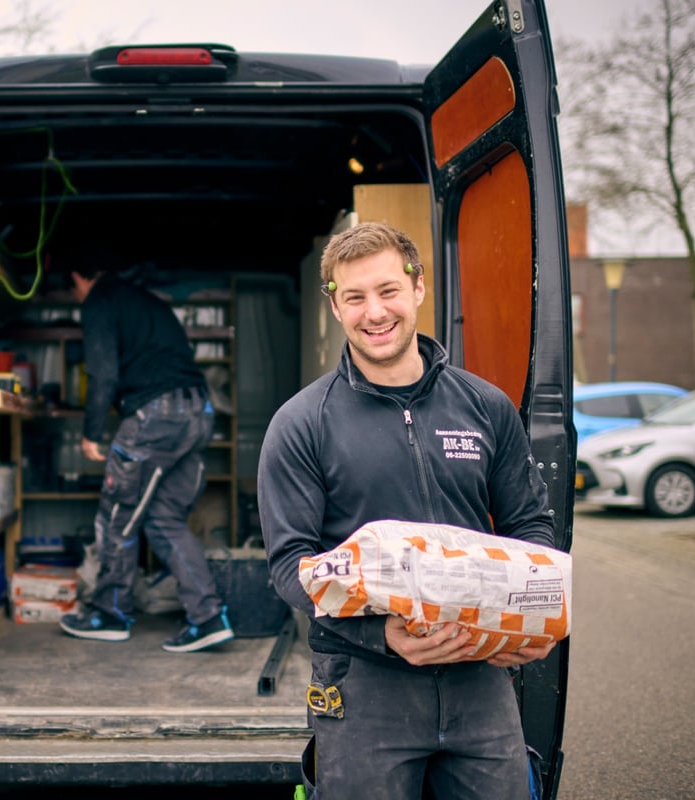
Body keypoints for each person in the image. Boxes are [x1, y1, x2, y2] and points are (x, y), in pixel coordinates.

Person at [257, 222, 557, 799]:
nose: (375, 312)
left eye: (388, 290)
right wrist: (382, 634)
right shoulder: (300, 424)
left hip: (479, 680)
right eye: (355, 297)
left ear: (418, 288)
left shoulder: (485, 407)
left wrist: (535, 615)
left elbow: (529, 526)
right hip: (364, 687)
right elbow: (290, 564)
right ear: (335, 306)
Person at [58, 266, 235, 653]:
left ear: (78, 275)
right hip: (198, 412)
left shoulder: (100, 301)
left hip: (156, 414)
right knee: (164, 518)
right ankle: (207, 618)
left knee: (117, 514)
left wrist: (90, 433)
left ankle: (109, 613)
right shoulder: (147, 302)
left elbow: (102, 372)